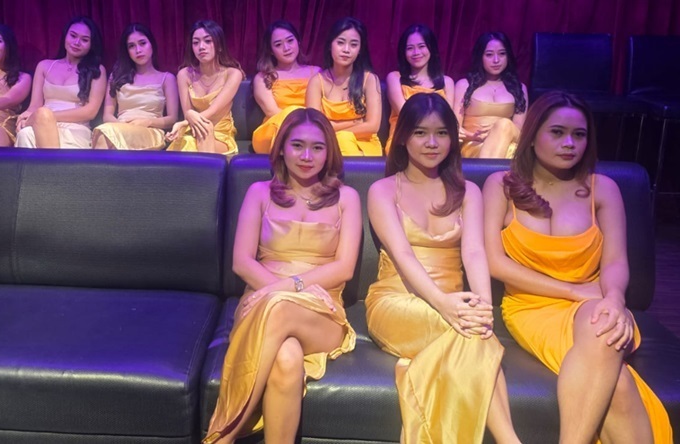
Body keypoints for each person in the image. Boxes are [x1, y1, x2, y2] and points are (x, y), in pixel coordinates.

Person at [483, 91, 672, 443]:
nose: (569, 143)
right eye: (557, 132)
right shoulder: (501, 186)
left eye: (579, 135)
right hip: (531, 306)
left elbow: (615, 261)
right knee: (617, 383)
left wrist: (614, 299)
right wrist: (573, 291)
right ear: (532, 136)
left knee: (602, 324)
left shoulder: (604, 189)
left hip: (596, 300)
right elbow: (496, 264)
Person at [366, 93, 521, 443]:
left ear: (453, 138)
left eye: (441, 133)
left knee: (477, 335)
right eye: (420, 133)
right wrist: (444, 304)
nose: (432, 143)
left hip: (454, 302)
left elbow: (475, 253)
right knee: (472, 337)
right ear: (403, 137)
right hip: (396, 300)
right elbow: (403, 255)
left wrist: (482, 306)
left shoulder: (468, 192)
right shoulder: (382, 190)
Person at [204, 108, 360, 443]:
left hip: (321, 310)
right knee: (287, 358)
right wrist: (281, 293)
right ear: (282, 149)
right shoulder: (259, 192)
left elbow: (344, 268)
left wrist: (289, 290)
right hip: (260, 300)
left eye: (317, 147)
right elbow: (242, 262)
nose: (307, 156)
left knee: (279, 307)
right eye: (297, 145)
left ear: (329, 152)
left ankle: (222, 436)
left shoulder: (346, 198)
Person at [15, 16, 106, 149]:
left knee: (42, 116)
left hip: (75, 129)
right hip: (40, 124)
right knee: (25, 133)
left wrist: (47, 117)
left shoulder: (97, 70)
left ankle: (53, 163)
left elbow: (90, 112)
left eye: (84, 40)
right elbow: (34, 106)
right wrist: (25, 116)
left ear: (92, 44)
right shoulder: (44, 66)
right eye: (73, 36)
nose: (77, 42)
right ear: (65, 36)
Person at [92, 24, 178, 150]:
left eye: (142, 43)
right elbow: (107, 116)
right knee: (104, 133)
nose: (138, 50)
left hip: (150, 130)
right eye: (131, 46)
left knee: (105, 135)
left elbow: (172, 118)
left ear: (152, 45)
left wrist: (148, 122)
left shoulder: (167, 78)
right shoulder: (116, 76)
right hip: (119, 127)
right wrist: (123, 127)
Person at [305, 17, 382, 156]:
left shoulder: (370, 79)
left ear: (360, 49)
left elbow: (373, 126)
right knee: (340, 140)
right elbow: (315, 126)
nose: (346, 50)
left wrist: (333, 127)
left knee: (343, 139)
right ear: (330, 45)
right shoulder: (317, 82)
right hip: (328, 144)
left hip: (364, 146)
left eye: (353, 45)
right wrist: (355, 123)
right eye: (340, 43)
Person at [166, 20, 243, 155]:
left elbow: (213, 110)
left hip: (220, 135)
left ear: (219, 46)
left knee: (189, 144)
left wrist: (183, 123)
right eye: (195, 43)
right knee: (186, 141)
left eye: (208, 41)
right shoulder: (184, 74)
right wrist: (185, 121)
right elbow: (188, 113)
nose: (201, 47)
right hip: (194, 132)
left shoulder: (233, 74)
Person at [454, 32, 527, 158]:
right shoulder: (464, 85)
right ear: (480, 57)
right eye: (489, 55)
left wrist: (497, 130)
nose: (496, 60)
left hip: (509, 144)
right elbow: (455, 128)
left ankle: (487, 169)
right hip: (474, 144)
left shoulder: (519, 88)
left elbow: (519, 131)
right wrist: (474, 136)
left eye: (502, 54)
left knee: (504, 125)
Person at [384, 24, 454, 155]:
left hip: (437, 139)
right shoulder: (395, 78)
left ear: (431, 48)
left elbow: (448, 118)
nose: (416, 53)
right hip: (404, 137)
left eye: (421, 46)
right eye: (410, 48)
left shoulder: (447, 82)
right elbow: (405, 112)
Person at [251, 20, 319, 154]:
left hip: (311, 132)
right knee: (293, 111)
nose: (286, 48)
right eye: (278, 44)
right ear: (271, 51)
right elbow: (272, 112)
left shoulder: (316, 73)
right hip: (274, 132)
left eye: (290, 41)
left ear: (298, 41)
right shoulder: (263, 77)